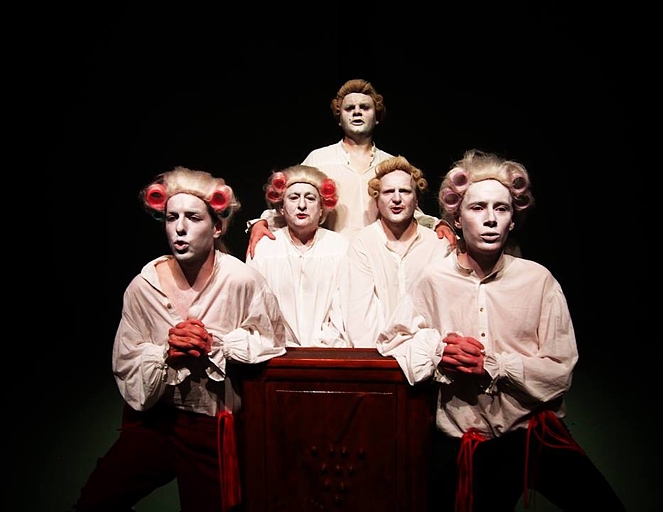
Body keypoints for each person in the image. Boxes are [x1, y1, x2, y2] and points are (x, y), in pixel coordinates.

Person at [376, 150, 625, 511]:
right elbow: (393, 340)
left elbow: (560, 370)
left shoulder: (538, 280)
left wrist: (494, 365)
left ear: (512, 220)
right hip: (466, 442)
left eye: (501, 209)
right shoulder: (433, 279)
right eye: (478, 208)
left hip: (533, 433)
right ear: (457, 218)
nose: (490, 219)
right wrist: (437, 351)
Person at [75, 166, 289, 512]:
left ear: (216, 227)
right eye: (172, 217)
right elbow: (127, 358)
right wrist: (166, 353)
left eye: (193, 217)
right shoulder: (143, 287)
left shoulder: (242, 280)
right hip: (159, 420)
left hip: (213, 427)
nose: (180, 228)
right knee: (96, 501)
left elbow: (271, 339)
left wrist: (216, 345)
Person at [245, 78, 456, 258]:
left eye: (364, 108)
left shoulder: (391, 164)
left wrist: (436, 225)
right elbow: (294, 202)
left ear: (377, 117)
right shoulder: (319, 159)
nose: (357, 112)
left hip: (379, 258)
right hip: (331, 257)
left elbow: (407, 209)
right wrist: (262, 222)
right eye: (349, 108)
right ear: (340, 118)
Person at [343, 155, 452, 348]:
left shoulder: (437, 244)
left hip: (428, 355)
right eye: (388, 192)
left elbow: (444, 311)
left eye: (404, 191)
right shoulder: (362, 243)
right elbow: (359, 316)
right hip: (376, 354)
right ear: (377, 200)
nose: (396, 199)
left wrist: (423, 351)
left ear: (416, 200)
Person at [246, 164, 350, 347]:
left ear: (321, 208)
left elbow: (345, 305)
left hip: (330, 350)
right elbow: (256, 307)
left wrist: (324, 345)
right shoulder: (265, 249)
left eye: (310, 198)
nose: (302, 205)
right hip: (277, 351)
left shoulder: (340, 247)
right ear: (281, 207)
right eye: (294, 198)